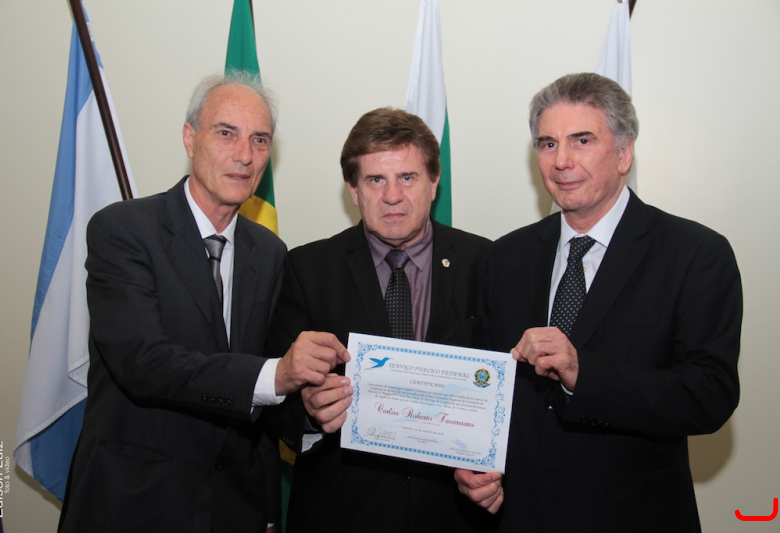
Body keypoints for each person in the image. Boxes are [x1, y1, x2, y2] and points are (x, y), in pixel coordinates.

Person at [58, 72, 348, 533]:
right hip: (135, 502)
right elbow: (143, 362)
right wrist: (277, 374)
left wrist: (311, 405)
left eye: (259, 139)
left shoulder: (270, 252)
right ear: (190, 138)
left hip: (235, 507)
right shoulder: (124, 230)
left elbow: (266, 393)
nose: (244, 155)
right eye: (226, 133)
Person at [455, 72, 742, 532]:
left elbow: (709, 395)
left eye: (582, 140)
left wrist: (581, 373)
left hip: (634, 518)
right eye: (548, 144)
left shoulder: (695, 253)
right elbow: (488, 382)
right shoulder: (507, 255)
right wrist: (471, 461)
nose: (561, 161)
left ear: (624, 153)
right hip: (522, 515)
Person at [265, 108, 497, 532]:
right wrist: (310, 415)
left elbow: (511, 396)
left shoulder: (486, 263)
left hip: (453, 515)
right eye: (375, 180)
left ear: (434, 181)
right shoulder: (306, 269)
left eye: (407, 177)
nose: (392, 196)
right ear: (353, 190)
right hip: (341, 516)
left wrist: (494, 471)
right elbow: (273, 404)